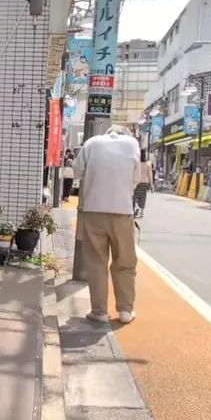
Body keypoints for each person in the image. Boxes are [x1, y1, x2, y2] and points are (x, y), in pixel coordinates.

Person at [74, 125, 140, 324]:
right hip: (123, 212)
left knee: (96, 263)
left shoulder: (91, 143)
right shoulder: (132, 144)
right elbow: (136, 178)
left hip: (93, 210)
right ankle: (126, 310)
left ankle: (99, 311)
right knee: (125, 262)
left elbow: (77, 171)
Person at [132, 149, 152, 217]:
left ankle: (136, 205)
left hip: (137, 181)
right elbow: (150, 174)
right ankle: (142, 211)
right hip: (145, 182)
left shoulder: (136, 163)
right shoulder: (148, 164)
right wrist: (151, 184)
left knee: (135, 195)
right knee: (143, 197)